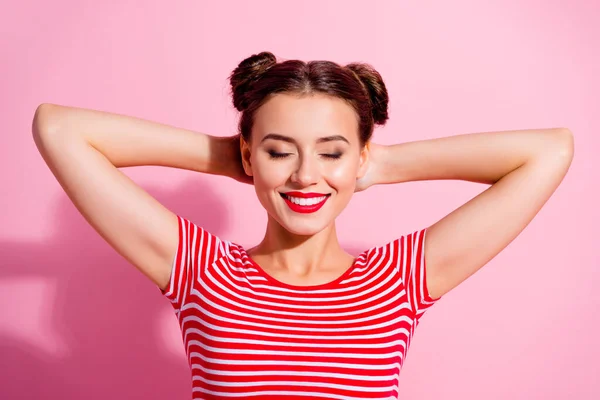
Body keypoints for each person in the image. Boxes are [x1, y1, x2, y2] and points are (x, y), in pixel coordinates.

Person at [32, 51, 574, 399]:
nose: (305, 176)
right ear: (249, 155)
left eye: (331, 153)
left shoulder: (398, 281)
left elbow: (549, 151)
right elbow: (58, 129)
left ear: (360, 157)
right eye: (279, 151)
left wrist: (378, 164)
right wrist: (237, 157)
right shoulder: (201, 270)